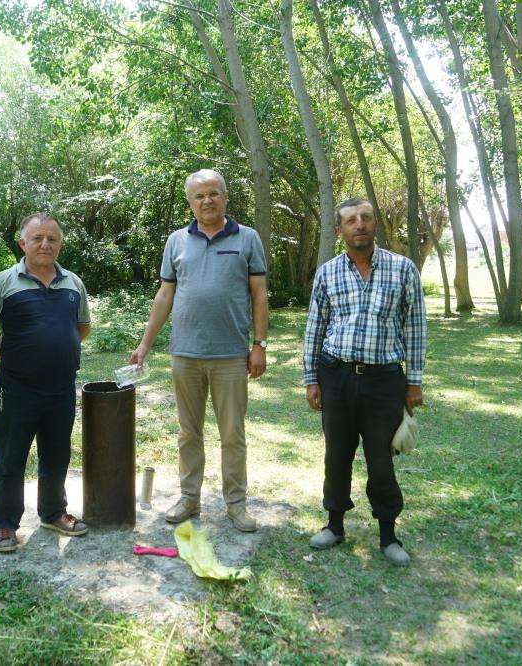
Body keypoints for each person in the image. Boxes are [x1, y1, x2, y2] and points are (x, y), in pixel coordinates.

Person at [130, 169, 268, 533]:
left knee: (232, 433)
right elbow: (165, 294)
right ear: (190, 202)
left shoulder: (247, 238)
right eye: (199, 196)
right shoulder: (176, 241)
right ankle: (189, 499)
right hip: (185, 355)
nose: (207, 200)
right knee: (188, 433)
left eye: (213, 193)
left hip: (231, 355)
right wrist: (145, 344)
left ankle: (236, 505)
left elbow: (259, 295)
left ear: (225, 197)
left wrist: (259, 345)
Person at [302, 197, 427, 566]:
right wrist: (311, 379)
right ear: (340, 229)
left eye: (366, 218)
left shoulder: (402, 269)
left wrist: (414, 382)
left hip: (384, 381)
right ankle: (334, 525)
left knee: (381, 459)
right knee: (337, 454)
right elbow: (315, 328)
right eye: (351, 220)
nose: (360, 224)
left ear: (375, 224)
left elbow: (415, 327)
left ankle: (388, 535)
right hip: (336, 376)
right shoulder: (327, 273)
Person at [0, 213, 91, 553]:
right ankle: (6, 524)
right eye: (37, 238)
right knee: (11, 458)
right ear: (22, 243)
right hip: (17, 389)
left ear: (60, 244)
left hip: (61, 388)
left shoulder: (73, 284)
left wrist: (56, 348)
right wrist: (10, 357)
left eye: (52, 238)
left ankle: (53, 513)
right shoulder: (2, 283)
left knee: (56, 454)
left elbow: (82, 327)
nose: (45, 244)